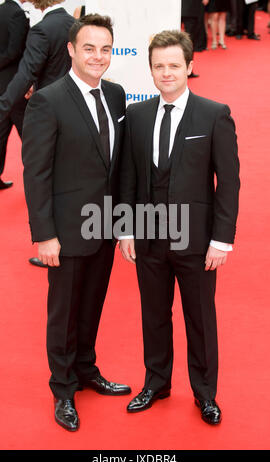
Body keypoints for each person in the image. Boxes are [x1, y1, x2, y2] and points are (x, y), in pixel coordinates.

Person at [119, 30, 240, 425]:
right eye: (159, 66)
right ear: (150, 70)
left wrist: (221, 240)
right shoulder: (136, 117)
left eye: (174, 65)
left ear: (189, 66)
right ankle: (156, 382)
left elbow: (229, 182)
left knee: (199, 318)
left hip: (197, 240)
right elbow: (127, 177)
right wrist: (125, 229)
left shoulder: (214, 113)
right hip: (149, 239)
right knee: (153, 314)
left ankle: (205, 393)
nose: (166, 73)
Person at [22, 13, 130, 432]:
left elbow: (117, 167)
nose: (98, 56)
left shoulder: (117, 95)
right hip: (64, 231)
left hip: (102, 226)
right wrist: (44, 234)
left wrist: (122, 224)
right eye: (89, 48)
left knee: (92, 305)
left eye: (105, 48)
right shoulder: (47, 100)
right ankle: (63, 388)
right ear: (71, 50)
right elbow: (37, 173)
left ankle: (87, 369)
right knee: (63, 313)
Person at [0, 0, 74, 267]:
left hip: (49, 113)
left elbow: (26, 72)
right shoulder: (73, 24)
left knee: (44, 180)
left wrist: (3, 106)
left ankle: (55, 248)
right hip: (74, 112)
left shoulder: (43, 29)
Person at [0, 0, 29, 190]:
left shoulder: (2, 9)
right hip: (14, 85)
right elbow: (15, 51)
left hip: (1, 85)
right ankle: (38, 182)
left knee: (0, 134)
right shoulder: (17, 14)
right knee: (29, 136)